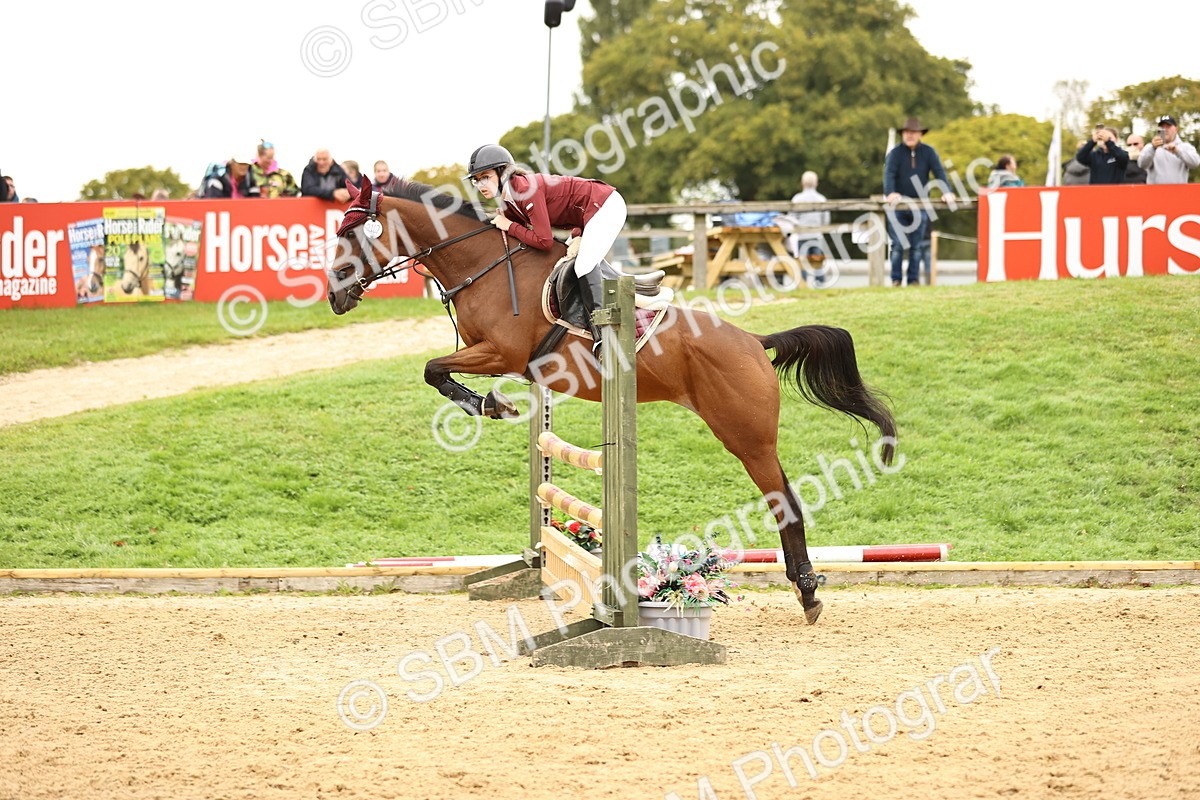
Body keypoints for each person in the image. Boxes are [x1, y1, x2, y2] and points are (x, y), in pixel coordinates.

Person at [465, 143, 625, 358]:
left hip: (604, 205)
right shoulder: (508, 201)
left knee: (584, 265)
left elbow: (544, 241)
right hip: (584, 217)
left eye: (485, 177)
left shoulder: (523, 189)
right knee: (567, 263)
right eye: (476, 180)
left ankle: (606, 336)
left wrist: (509, 225)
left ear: (502, 172)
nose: (480, 184)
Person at [883, 116, 954, 287]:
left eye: (913, 132)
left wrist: (947, 192)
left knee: (917, 246)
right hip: (897, 206)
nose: (910, 135)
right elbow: (889, 174)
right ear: (903, 134)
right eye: (907, 132)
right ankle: (896, 280)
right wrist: (890, 193)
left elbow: (939, 173)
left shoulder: (929, 152)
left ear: (920, 134)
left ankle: (913, 280)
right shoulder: (895, 153)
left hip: (920, 205)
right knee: (898, 245)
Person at [777, 170, 830, 287]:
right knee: (818, 261)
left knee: (802, 261)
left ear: (802, 183)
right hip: (817, 236)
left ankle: (803, 283)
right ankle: (820, 284)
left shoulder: (797, 199)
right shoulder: (821, 199)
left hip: (801, 236)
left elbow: (791, 218)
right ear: (817, 183)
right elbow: (825, 220)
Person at [1137, 115, 1199, 185]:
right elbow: (1141, 164)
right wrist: (1153, 149)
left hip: (1179, 193)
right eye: (1162, 127)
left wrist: (1177, 152)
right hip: (1156, 193)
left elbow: (1195, 163)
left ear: (1176, 129)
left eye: (1168, 126)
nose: (1165, 129)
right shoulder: (1150, 147)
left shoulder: (1185, 147)